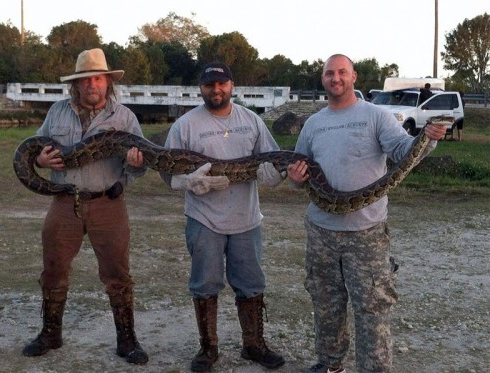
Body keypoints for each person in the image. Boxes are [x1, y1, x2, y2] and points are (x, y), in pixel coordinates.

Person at [286, 54, 447, 373]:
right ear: (323, 80)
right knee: (326, 305)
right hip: (321, 233)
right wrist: (294, 178)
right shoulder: (314, 123)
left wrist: (426, 140)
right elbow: (298, 168)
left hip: (366, 235)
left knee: (372, 308)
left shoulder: (376, 115)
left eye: (342, 72)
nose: (336, 78)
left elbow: (403, 152)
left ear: (354, 76)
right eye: (329, 73)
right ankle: (330, 365)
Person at [22, 48, 149, 365]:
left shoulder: (124, 118)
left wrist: (134, 164)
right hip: (64, 203)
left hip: (108, 202)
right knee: (53, 268)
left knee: (117, 273)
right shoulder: (57, 113)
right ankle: (51, 333)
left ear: (107, 82)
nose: (92, 84)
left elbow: (139, 169)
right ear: (76, 85)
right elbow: (35, 148)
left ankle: (127, 339)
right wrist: (39, 159)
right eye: (86, 79)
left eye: (98, 78)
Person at [160, 62, 286, 372]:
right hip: (204, 219)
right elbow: (166, 170)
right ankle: (208, 348)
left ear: (232, 85)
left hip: (246, 219)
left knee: (251, 283)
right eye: (209, 85)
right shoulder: (185, 125)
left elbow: (272, 161)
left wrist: (275, 175)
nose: (216, 90)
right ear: (200, 88)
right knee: (205, 283)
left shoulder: (251, 120)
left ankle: (254, 345)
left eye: (222, 83)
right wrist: (185, 181)